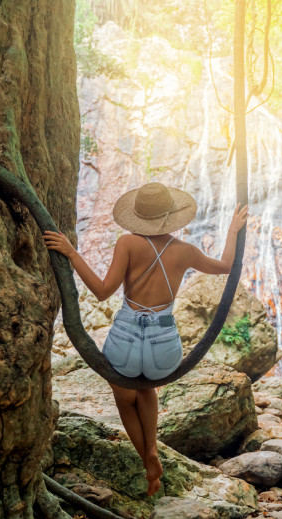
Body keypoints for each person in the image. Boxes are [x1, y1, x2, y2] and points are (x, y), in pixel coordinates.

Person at [43, 182, 248, 496]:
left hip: (124, 343)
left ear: (139, 218)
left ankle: (147, 456)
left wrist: (71, 253)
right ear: (169, 217)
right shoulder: (185, 251)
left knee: (126, 396)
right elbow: (225, 266)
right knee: (148, 387)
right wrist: (233, 231)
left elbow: (101, 292)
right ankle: (153, 449)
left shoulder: (127, 244)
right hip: (164, 349)